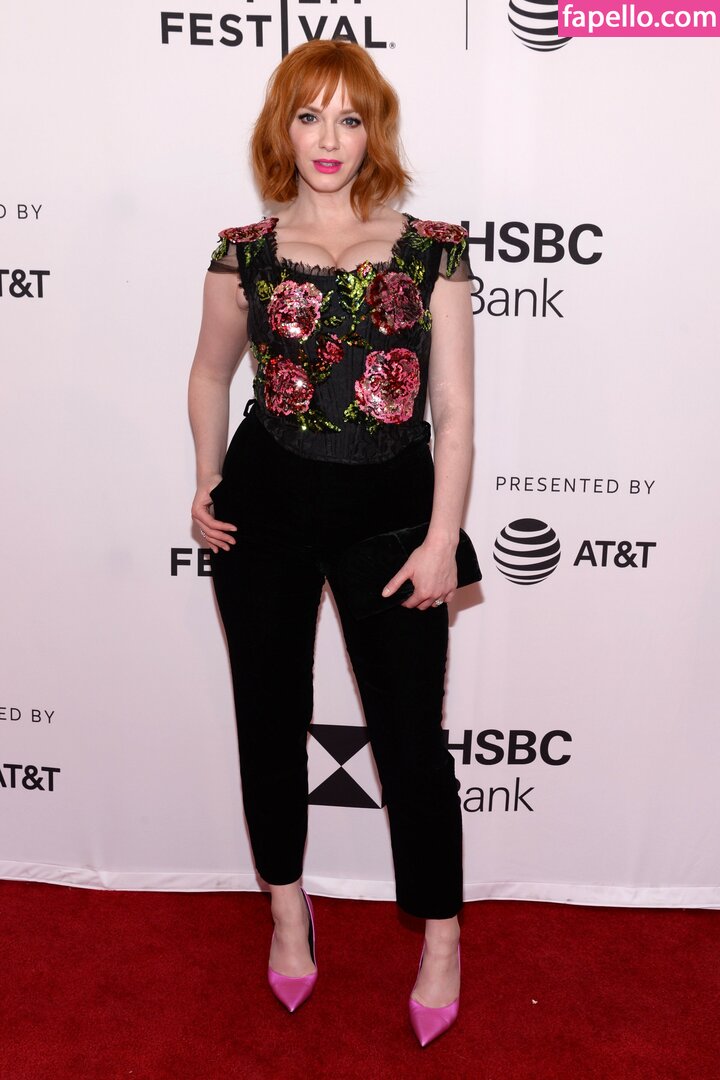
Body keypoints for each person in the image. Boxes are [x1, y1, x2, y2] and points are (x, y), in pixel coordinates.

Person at [188, 38, 474, 1047]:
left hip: (392, 512)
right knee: (267, 718)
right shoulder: (243, 251)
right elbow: (209, 373)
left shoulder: (434, 248)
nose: (328, 137)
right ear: (285, 126)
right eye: (310, 114)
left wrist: (441, 539)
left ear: (373, 131)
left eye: (350, 117)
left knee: (411, 741)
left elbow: (453, 412)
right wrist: (205, 479)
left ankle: (441, 936)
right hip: (262, 508)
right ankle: (285, 910)